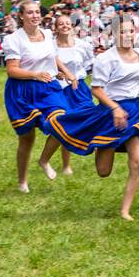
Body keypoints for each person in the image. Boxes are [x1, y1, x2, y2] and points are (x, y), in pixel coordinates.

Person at [47, 15, 139, 220]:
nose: (128, 35)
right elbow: (97, 90)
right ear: (114, 34)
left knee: (138, 163)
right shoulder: (106, 58)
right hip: (110, 113)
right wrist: (115, 108)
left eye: (131, 31)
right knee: (103, 171)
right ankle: (106, 143)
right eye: (122, 32)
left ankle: (125, 211)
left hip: (136, 111)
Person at [2, 1, 79, 193]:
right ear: (21, 16)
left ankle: (44, 160)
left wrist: (67, 73)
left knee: (63, 122)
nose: (35, 15)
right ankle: (22, 182)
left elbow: (53, 57)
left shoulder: (47, 34)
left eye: (37, 12)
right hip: (22, 91)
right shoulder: (14, 39)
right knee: (27, 138)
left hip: (47, 87)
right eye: (30, 12)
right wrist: (35, 74)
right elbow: (11, 70)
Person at [51, 13, 95, 177]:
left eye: (67, 23)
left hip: (80, 88)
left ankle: (97, 150)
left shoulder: (82, 45)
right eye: (61, 24)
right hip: (61, 89)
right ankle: (66, 165)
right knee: (65, 125)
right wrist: (58, 74)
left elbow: (88, 66)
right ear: (55, 28)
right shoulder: (51, 47)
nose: (65, 26)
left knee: (91, 119)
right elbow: (48, 68)